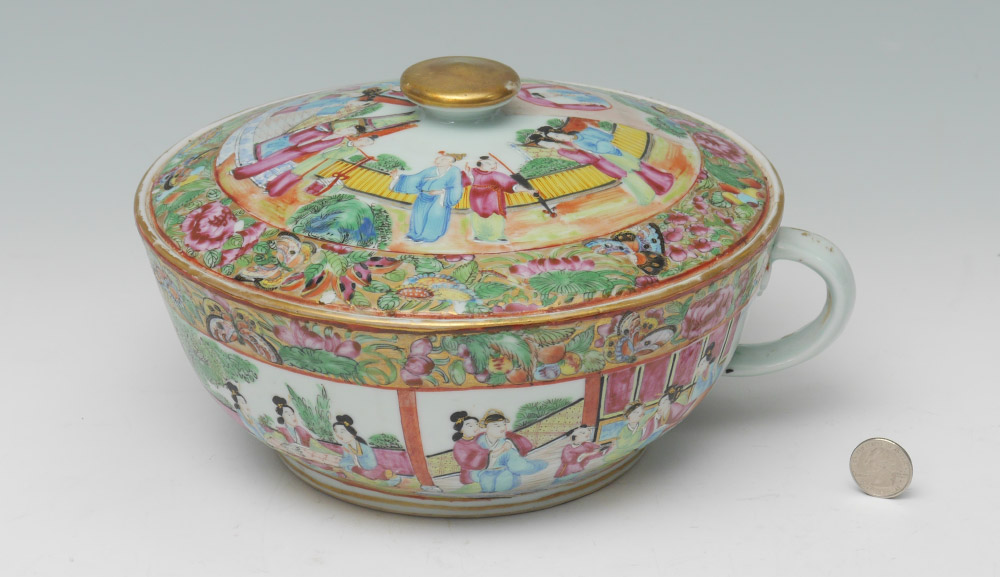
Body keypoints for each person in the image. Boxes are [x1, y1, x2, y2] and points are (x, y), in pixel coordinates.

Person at [389, 152, 470, 243]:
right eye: (439, 159)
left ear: (450, 161)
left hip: (440, 198)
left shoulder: (454, 171)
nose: (438, 161)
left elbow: (456, 187)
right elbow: (416, 178)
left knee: (434, 216)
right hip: (423, 196)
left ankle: (429, 237)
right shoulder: (431, 170)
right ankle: (415, 235)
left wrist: (441, 191)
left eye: (443, 159)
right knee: (419, 216)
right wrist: (397, 178)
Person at [471, 410, 547, 493]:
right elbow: (474, 466)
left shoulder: (506, 444)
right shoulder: (479, 442)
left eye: (504, 425)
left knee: (503, 483)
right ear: (487, 427)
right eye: (497, 425)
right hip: (485, 474)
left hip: (504, 472)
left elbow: (519, 466)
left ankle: (540, 464)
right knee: (486, 484)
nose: (503, 428)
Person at [465, 156, 528, 242]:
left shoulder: (496, 175)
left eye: (494, 163)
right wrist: (467, 173)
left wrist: (528, 190)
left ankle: (499, 236)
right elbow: (466, 180)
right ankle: (479, 236)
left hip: (492, 199)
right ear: (479, 164)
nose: (493, 165)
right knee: (477, 215)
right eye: (488, 163)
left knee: (495, 216)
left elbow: (511, 185)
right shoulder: (473, 172)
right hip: (476, 199)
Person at [331, 414, 400, 485]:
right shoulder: (346, 446)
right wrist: (351, 464)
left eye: (342, 431)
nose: (338, 435)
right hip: (357, 469)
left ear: (352, 433)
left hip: (371, 470)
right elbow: (345, 460)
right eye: (336, 431)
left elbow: (371, 465)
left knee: (374, 474)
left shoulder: (365, 448)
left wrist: (355, 462)